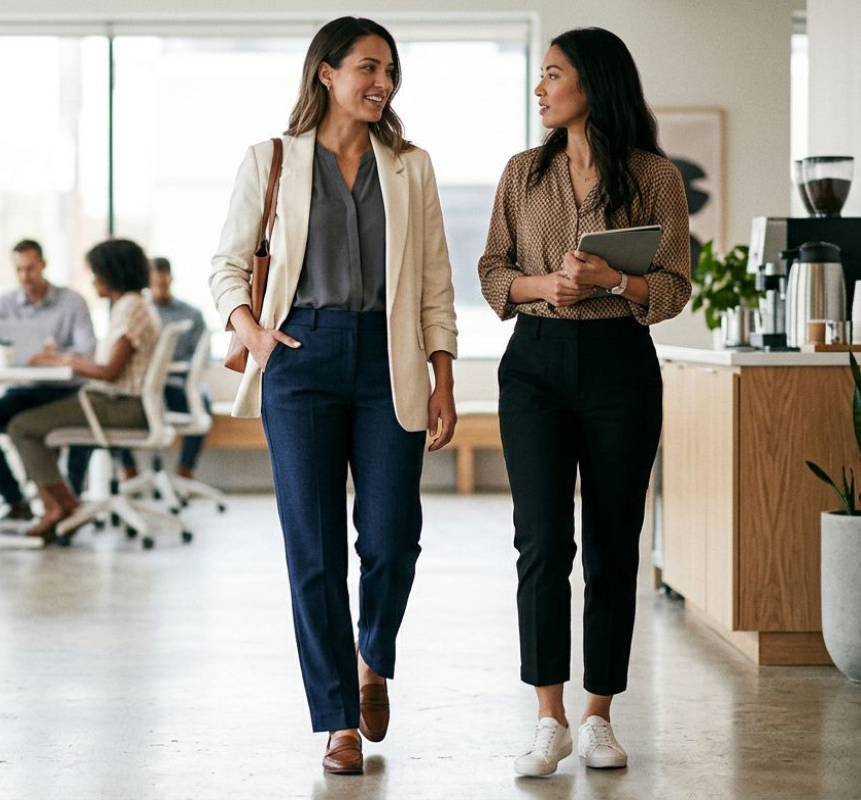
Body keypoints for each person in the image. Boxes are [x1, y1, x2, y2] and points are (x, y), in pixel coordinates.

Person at [210, 17, 457, 775]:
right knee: (313, 548)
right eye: (368, 68)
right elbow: (225, 265)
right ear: (327, 73)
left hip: (388, 360)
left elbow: (435, 282)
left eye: (390, 71)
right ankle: (337, 721)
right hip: (300, 357)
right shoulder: (271, 160)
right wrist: (253, 334)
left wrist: (444, 377)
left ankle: (371, 660)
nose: (383, 83)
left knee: (392, 537)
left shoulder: (411, 167)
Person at [476, 28, 690, 778]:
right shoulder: (521, 172)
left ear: (592, 83)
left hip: (618, 363)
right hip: (534, 363)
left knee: (612, 543)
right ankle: (549, 719)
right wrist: (546, 285)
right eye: (540, 76)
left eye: (553, 74)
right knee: (541, 541)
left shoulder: (655, 175)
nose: (540, 88)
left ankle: (598, 715)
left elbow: (674, 287)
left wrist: (612, 282)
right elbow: (493, 270)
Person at [7, 239, 159, 542]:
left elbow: (110, 371)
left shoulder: (130, 308)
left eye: (96, 273)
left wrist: (64, 361)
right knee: (28, 420)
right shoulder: (134, 305)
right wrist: (64, 359)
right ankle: (63, 505)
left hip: (120, 406)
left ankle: (61, 506)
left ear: (112, 273)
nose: (93, 280)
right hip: (120, 404)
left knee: (22, 427)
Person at [0, 239, 98, 520]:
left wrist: (55, 356)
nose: (25, 276)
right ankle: (14, 499)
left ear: (43, 265)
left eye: (30, 268)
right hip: (24, 391)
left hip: (64, 391)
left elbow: (87, 352)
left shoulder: (72, 302)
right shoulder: (4, 304)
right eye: (19, 270)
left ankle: (71, 500)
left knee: (80, 423)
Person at [115, 257, 210, 480]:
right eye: (154, 284)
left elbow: (201, 358)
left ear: (171, 279)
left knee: (202, 400)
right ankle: (129, 471)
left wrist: (177, 368)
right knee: (115, 404)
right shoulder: (141, 312)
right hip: (144, 383)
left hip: (177, 382)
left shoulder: (192, 314)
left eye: (163, 284)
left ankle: (185, 471)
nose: (159, 289)